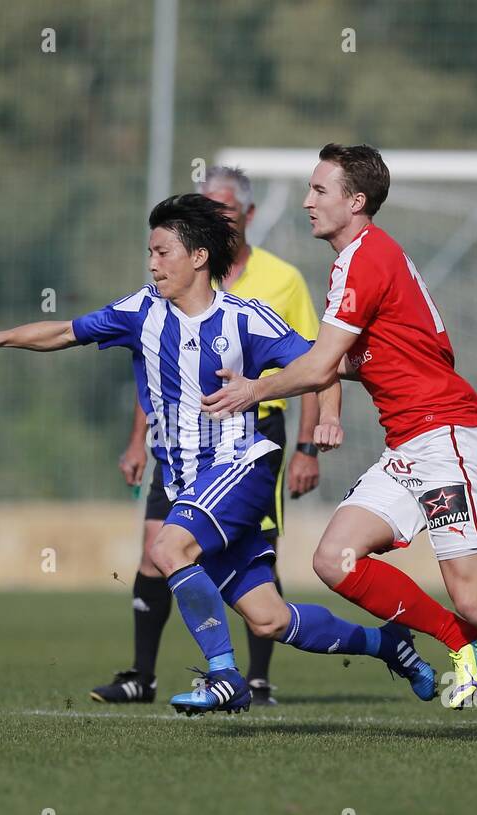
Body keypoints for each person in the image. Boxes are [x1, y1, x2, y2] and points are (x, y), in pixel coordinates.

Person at [0, 192, 437, 715]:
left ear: (199, 257)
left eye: (163, 252)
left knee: (167, 548)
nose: (153, 263)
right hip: (190, 483)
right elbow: (64, 331)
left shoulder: (247, 319)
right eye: (150, 252)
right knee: (269, 618)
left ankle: (226, 676)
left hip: (240, 467)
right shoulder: (139, 312)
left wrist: (332, 416)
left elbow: (322, 365)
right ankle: (391, 646)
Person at [202, 144, 477, 744]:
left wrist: (253, 389)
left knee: (475, 596)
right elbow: (355, 361)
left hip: (445, 435)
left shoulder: (364, 258)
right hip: (409, 442)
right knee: (335, 560)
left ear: (356, 201)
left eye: (320, 190)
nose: (307, 201)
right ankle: (457, 639)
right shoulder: (360, 259)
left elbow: (321, 367)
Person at [95, 166, 322, 707]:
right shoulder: (169, 282)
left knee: (251, 555)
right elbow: (156, 364)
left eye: (224, 208)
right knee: (156, 551)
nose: (214, 217)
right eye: (206, 207)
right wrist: (136, 439)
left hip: (249, 435)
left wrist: (309, 446)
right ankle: (142, 675)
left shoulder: (280, 280)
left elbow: (315, 362)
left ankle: (252, 678)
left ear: (247, 214)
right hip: (175, 437)